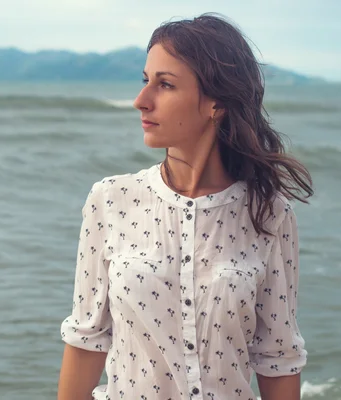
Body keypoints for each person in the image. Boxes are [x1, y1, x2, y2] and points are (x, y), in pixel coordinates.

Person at [58, 12, 314, 400]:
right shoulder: (110, 200)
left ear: (217, 103)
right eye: (146, 81)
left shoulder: (268, 214)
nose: (140, 101)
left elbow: (278, 358)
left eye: (165, 85)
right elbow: (86, 340)